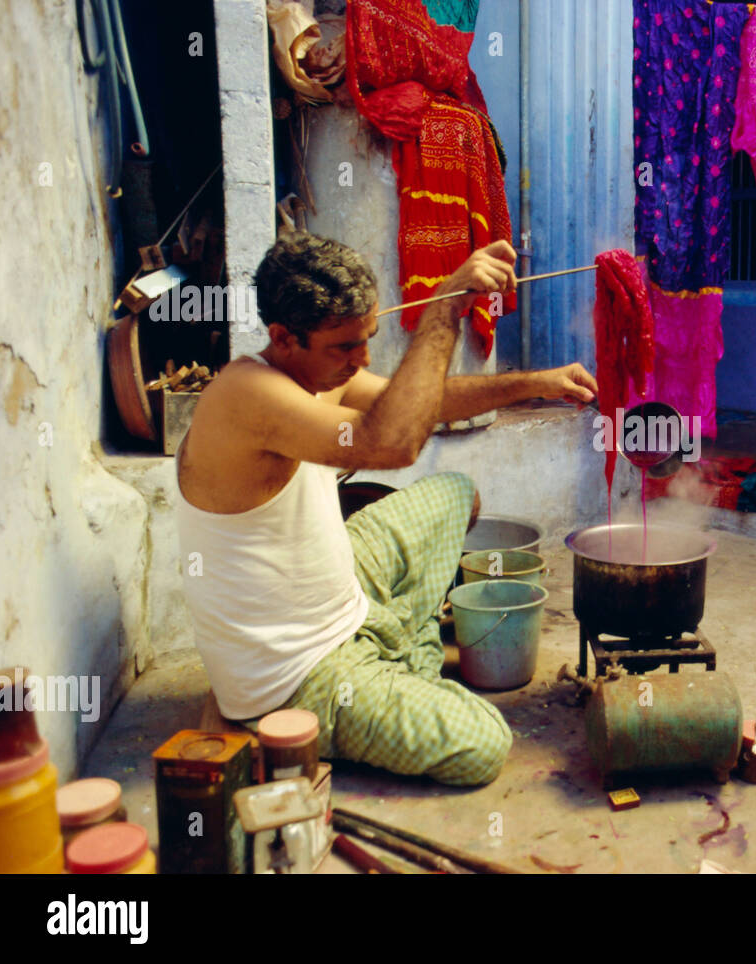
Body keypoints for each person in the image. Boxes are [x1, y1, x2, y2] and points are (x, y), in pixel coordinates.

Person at [174, 232, 597, 785]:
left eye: (368, 338)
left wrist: (534, 384)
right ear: (283, 337)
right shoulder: (246, 394)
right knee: (485, 743)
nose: (363, 360)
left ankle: (396, 648)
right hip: (298, 673)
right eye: (346, 347)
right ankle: (396, 666)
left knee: (454, 494)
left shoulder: (315, 372)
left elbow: (423, 403)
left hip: (343, 587)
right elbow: (394, 441)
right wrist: (448, 304)